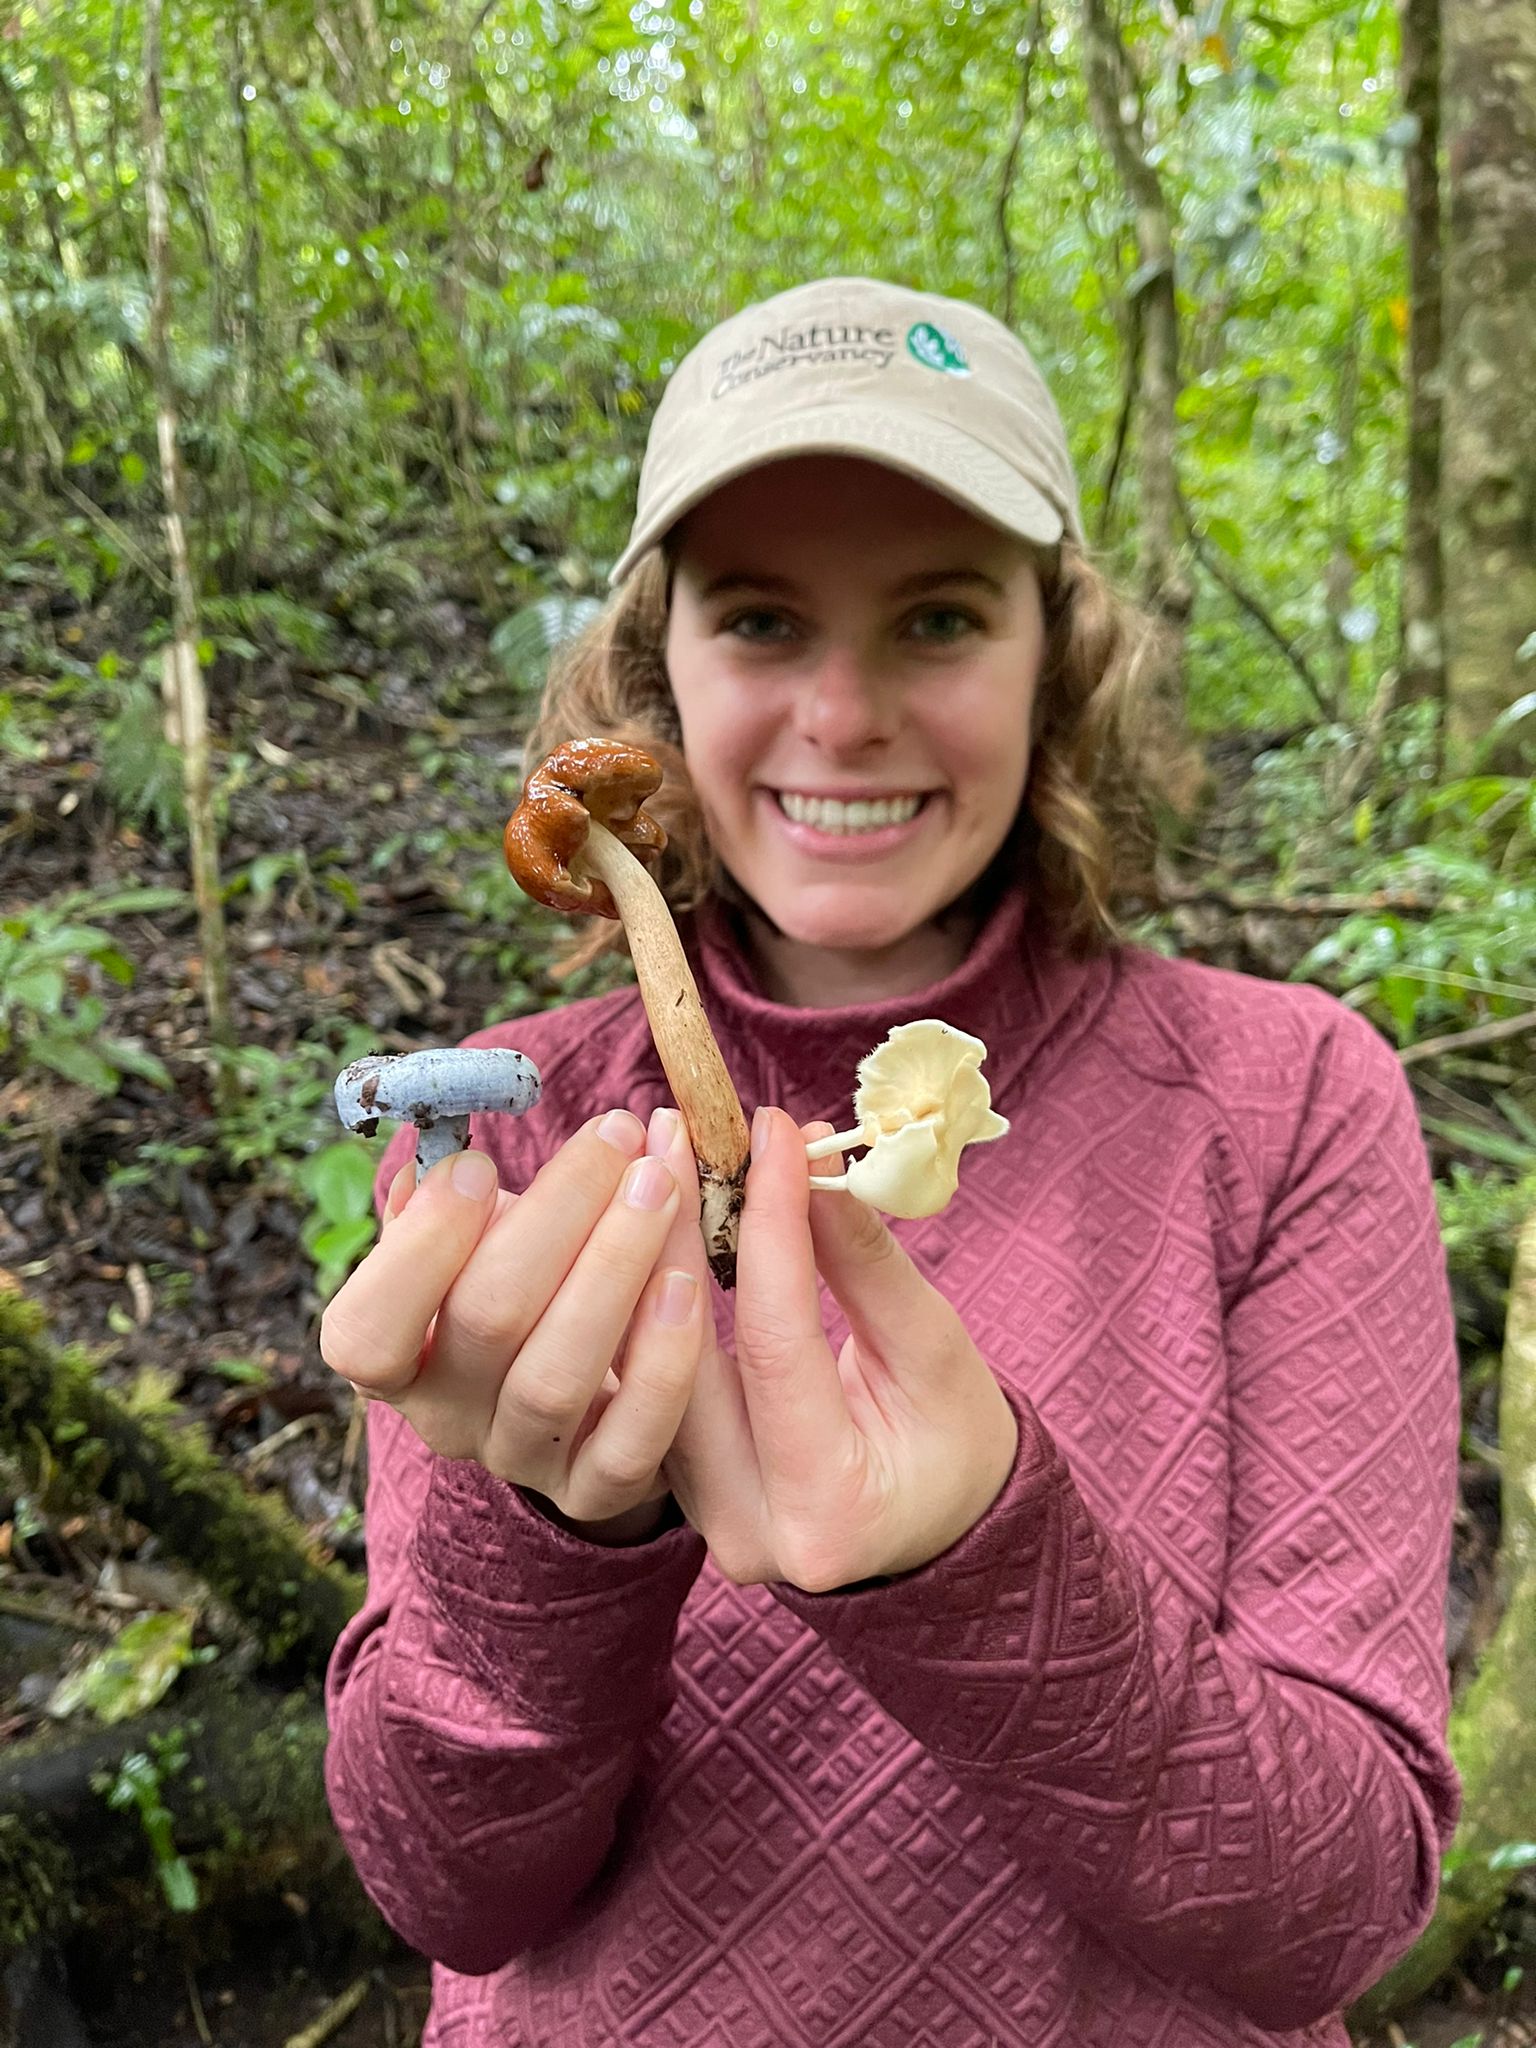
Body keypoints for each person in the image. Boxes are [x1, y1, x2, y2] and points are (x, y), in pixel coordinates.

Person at [319, 277, 1461, 2048]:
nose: (843, 717)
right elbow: (439, 1884)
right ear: (657, 675)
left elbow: (1340, 1908)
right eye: (765, 622)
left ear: (1056, 662)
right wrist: (547, 1525)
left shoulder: (1288, 1101)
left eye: (935, 620)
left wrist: (983, 1568)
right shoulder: (510, 1133)